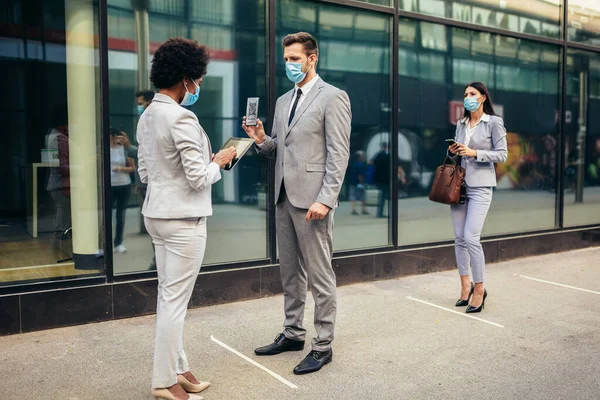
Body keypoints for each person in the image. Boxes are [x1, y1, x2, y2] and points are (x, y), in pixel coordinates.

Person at [243, 32, 351, 375]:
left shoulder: (333, 97)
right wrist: (262, 140)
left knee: (320, 275)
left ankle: (323, 345)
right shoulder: (282, 101)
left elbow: (339, 154)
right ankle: (293, 333)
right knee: (289, 272)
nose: (288, 64)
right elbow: (282, 150)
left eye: (294, 58)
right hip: (283, 197)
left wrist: (326, 199)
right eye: (286, 58)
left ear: (311, 59)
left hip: (313, 202)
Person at [137, 37, 236, 400]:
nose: (199, 86)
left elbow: (146, 174)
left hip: (156, 215)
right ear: (186, 79)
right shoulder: (182, 117)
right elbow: (199, 178)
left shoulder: (147, 115)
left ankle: (180, 370)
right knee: (174, 303)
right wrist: (220, 161)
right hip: (183, 221)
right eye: (198, 78)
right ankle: (164, 381)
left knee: (169, 297)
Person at [448, 82, 507, 313]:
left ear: (483, 97)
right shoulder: (461, 123)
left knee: (471, 237)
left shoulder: (494, 122)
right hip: (459, 186)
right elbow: (458, 156)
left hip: (481, 187)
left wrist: (475, 153)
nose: (468, 98)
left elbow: (502, 154)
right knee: (459, 238)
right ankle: (465, 286)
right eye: (465, 95)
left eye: (472, 94)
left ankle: (480, 289)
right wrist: (453, 151)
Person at [110, 127, 135, 254]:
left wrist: (120, 169)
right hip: (109, 185)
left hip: (123, 185)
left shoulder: (124, 150)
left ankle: (118, 243)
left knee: (120, 215)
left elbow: (132, 168)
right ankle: (105, 244)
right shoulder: (102, 149)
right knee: (106, 216)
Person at [372, 142, 390, 218]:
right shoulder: (386, 156)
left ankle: (379, 212)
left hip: (378, 178)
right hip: (385, 179)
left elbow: (372, 162)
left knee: (381, 196)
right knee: (383, 197)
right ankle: (380, 213)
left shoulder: (377, 155)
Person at [347, 150, 368, 215]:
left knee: (353, 196)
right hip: (359, 183)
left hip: (352, 182)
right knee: (362, 196)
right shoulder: (361, 164)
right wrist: (361, 182)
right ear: (360, 157)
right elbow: (360, 175)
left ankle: (353, 209)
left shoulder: (352, 164)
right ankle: (363, 209)